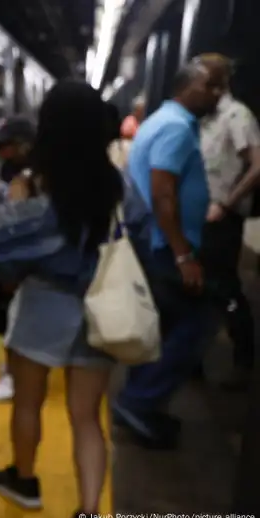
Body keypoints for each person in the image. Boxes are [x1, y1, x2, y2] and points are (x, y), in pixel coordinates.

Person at [0, 80, 153, 518]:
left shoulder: (34, 186)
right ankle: (91, 512)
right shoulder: (115, 184)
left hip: (42, 306)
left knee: (27, 403)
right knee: (86, 418)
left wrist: (15, 212)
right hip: (100, 308)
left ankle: (23, 481)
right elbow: (139, 228)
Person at [113, 61, 226, 448]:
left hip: (155, 242)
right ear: (187, 87)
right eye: (211, 86)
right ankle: (138, 402)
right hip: (164, 247)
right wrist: (183, 255)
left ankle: (140, 397)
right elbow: (163, 194)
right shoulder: (176, 128)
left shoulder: (163, 120)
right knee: (197, 323)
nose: (218, 94)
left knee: (161, 326)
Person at [195, 53, 260, 391]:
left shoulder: (237, 116)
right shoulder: (206, 119)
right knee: (202, 287)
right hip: (203, 216)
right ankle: (194, 361)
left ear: (219, 86)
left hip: (222, 218)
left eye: (202, 81)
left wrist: (226, 203)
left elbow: (257, 165)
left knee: (225, 288)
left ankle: (244, 360)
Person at [0, 115, 36, 402]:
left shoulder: (32, 176)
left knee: (15, 314)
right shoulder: (8, 170)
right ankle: (13, 368)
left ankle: (15, 376)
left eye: (6, 145)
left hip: (20, 255)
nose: (0, 150)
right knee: (5, 311)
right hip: (6, 249)